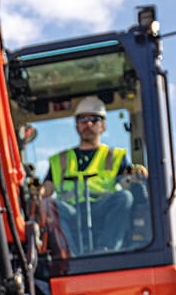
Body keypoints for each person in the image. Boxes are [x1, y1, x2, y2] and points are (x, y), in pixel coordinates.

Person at [40, 96, 145, 254]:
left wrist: (137, 174)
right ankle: (68, 255)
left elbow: (127, 181)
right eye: (82, 120)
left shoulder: (114, 156)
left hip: (101, 208)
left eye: (94, 119)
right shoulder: (59, 160)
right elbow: (45, 190)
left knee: (124, 197)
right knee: (49, 204)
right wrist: (36, 192)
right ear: (77, 126)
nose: (88, 124)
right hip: (71, 212)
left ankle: (105, 251)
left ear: (103, 126)